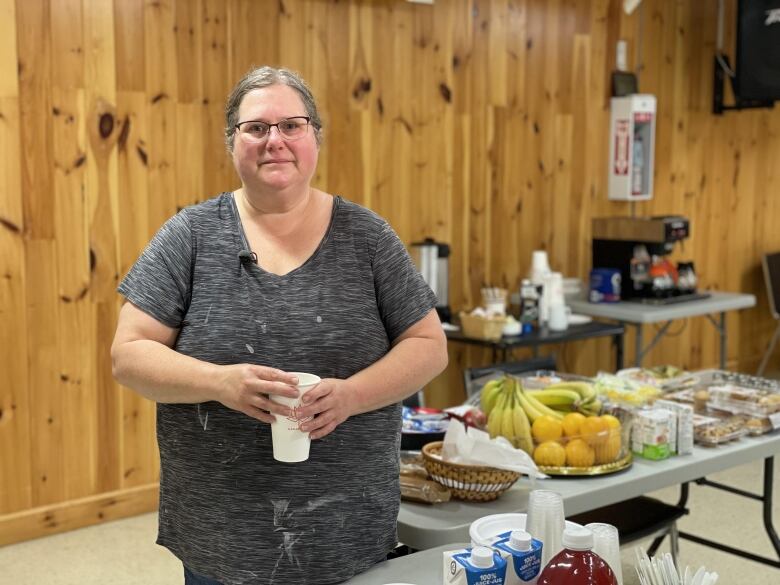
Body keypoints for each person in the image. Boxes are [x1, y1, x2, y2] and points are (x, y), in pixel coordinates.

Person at [111, 66, 448, 584]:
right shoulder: (191, 236)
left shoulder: (368, 238)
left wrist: (353, 396)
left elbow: (428, 345)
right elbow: (128, 355)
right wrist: (220, 382)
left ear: (315, 136)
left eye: (292, 125)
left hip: (347, 530)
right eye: (256, 128)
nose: (276, 141)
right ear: (232, 142)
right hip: (221, 535)